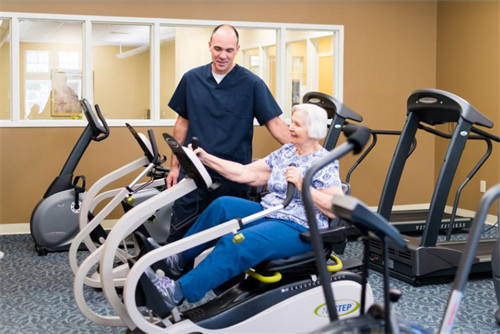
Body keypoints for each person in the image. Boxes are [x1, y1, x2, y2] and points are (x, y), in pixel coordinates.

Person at [146, 103, 343, 311]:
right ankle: (176, 260)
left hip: (300, 226)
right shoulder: (287, 152)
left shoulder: (325, 162)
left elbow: (333, 208)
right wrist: (205, 158)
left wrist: (303, 185)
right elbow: (245, 173)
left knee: (237, 242)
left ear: (314, 130)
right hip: (270, 212)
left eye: (297, 124)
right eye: (291, 122)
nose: (290, 127)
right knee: (223, 206)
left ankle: (175, 293)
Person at [165, 24, 290, 242]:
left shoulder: (252, 84)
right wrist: (174, 166)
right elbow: (181, 124)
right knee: (180, 234)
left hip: (232, 175)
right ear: (209, 47)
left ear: (237, 49)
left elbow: (275, 124)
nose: (223, 55)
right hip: (194, 171)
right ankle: (170, 275)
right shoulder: (191, 79)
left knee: (226, 239)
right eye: (218, 49)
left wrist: (309, 153)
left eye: (229, 50)